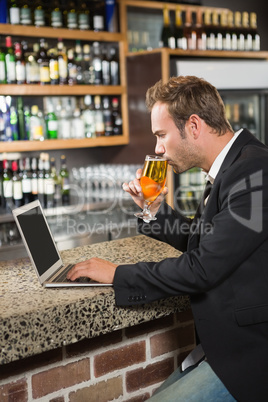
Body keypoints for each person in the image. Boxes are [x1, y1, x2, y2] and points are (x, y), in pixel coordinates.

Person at [67, 76, 268, 401]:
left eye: (161, 135)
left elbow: (202, 268)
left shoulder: (254, 170)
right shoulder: (233, 166)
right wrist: (155, 211)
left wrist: (117, 274)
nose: (158, 149)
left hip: (249, 357)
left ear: (193, 125)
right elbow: (206, 241)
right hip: (221, 350)